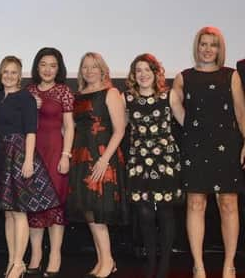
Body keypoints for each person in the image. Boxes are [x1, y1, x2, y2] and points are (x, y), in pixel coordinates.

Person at [171, 27, 245, 278]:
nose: (207, 49)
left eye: (213, 45)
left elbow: (240, 112)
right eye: (203, 44)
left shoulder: (231, 76)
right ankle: (198, 266)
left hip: (227, 145)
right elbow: (174, 102)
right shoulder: (184, 77)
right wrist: (188, 124)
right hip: (195, 146)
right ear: (197, 46)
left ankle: (229, 265)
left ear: (219, 49)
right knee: (195, 203)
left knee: (228, 204)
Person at [0, 56, 60, 278]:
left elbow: (31, 130)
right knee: (9, 213)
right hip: (0, 155)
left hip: (19, 154)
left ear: (20, 76)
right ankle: (13, 260)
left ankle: (19, 263)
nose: (9, 76)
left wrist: (28, 160)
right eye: (5, 72)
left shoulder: (26, 98)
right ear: (1, 75)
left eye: (13, 72)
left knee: (19, 212)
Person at [123, 53, 184, 278]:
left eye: (147, 70)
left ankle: (165, 264)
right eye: (138, 70)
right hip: (138, 161)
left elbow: (185, 123)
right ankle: (150, 262)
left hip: (165, 160)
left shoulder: (170, 96)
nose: (143, 74)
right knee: (145, 213)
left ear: (156, 73)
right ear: (133, 75)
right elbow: (119, 128)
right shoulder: (126, 99)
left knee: (166, 213)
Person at [66, 52, 127, 278]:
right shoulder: (78, 95)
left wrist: (103, 160)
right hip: (81, 156)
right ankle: (103, 260)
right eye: (85, 67)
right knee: (90, 211)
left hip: (103, 157)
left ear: (102, 70)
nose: (89, 71)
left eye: (94, 67)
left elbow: (119, 130)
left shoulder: (110, 93)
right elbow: (71, 127)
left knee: (99, 212)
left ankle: (108, 261)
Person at [25, 48, 74, 278]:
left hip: (56, 150)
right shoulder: (28, 91)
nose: (47, 69)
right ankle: (36, 255)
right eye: (43, 64)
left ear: (59, 68)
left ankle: (55, 254)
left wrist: (66, 155)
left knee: (55, 203)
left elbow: (69, 126)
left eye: (52, 65)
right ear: (37, 67)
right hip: (32, 152)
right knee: (34, 203)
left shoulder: (64, 91)